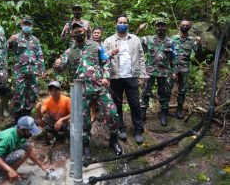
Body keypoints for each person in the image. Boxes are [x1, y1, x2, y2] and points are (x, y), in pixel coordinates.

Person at [54, 22, 123, 158]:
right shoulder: (69, 51)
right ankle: (86, 147)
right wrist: (56, 65)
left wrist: (106, 77)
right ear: (71, 35)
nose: (77, 33)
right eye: (74, 32)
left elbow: (105, 62)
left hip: (99, 88)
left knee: (112, 114)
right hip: (81, 93)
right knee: (83, 122)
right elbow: (60, 68)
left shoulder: (96, 46)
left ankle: (114, 141)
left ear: (85, 30)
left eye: (79, 30)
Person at [104, 14, 147, 144]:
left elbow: (141, 57)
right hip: (115, 77)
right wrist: (111, 52)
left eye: (125, 22)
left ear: (128, 24)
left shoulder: (134, 39)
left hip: (131, 76)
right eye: (120, 22)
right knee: (117, 105)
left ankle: (138, 130)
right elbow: (103, 58)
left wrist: (143, 74)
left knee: (135, 104)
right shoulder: (109, 41)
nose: (122, 24)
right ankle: (121, 128)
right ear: (115, 24)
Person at [0, 116, 51, 181]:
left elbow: (29, 150)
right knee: (20, 153)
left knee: (27, 147)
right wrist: (9, 170)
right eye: (29, 131)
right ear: (21, 129)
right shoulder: (8, 137)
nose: (31, 134)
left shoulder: (20, 134)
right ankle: (7, 176)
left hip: (4, 157)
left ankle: (12, 172)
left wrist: (41, 165)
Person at [7, 16, 46, 123]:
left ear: (32, 26)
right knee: (19, 94)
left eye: (29, 24)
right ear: (21, 25)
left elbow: (40, 55)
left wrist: (42, 68)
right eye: (25, 24)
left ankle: (27, 117)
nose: (27, 26)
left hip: (33, 71)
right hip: (20, 71)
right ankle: (18, 120)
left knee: (31, 94)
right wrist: (10, 41)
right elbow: (7, 48)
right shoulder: (16, 37)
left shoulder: (35, 40)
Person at [140, 19, 178, 126]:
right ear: (155, 27)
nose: (160, 28)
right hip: (150, 71)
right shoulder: (147, 39)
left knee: (164, 93)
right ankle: (143, 112)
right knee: (145, 91)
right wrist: (139, 29)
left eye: (163, 26)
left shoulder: (170, 42)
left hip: (164, 72)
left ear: (166, 27)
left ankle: (163, 113)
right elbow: (134, 42)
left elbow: (174, 57)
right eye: (158, 26)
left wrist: (174, 71)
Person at [168, 19, 202, 119]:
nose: (185, 27)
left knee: (182, 90)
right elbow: (167, 52)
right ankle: (164, 109)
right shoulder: (173, 38)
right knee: (167, 89)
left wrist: (199, 43)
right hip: (173, 67)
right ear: (179, 26)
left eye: (187, 25)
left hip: (185, 68)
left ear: (189, 27)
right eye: (183, 25)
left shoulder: (192, 40)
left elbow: (197, 53)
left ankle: (179, 109)